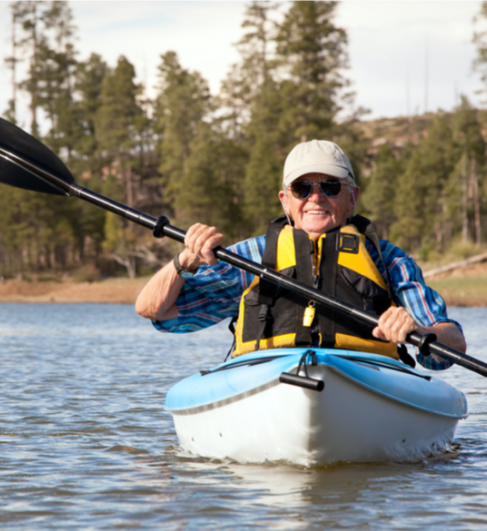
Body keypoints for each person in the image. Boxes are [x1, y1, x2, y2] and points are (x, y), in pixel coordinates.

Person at [135, 140, 466, 370]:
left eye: (330, 187)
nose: (316, 198)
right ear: (285, 200)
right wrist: (183, 263)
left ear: (352, 197)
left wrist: (421, 332)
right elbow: (156, 312)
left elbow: (451, 346)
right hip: (266, 379)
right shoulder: (252, 257)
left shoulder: (390, 261)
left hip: (365, 381)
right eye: (302, 188)